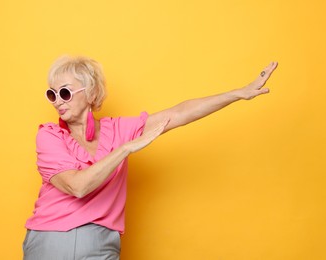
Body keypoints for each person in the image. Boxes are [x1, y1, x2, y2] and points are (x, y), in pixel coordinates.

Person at [23, 55, 278, 260]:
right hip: (50, 242)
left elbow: (178, 113)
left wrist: (237, 94)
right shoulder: (49, 136)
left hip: (100, 243)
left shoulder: (118, 130)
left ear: (90, 94)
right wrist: (125, 149)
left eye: (65, 93)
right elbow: (77, 187)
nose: (57, 101)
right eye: (52, 94)